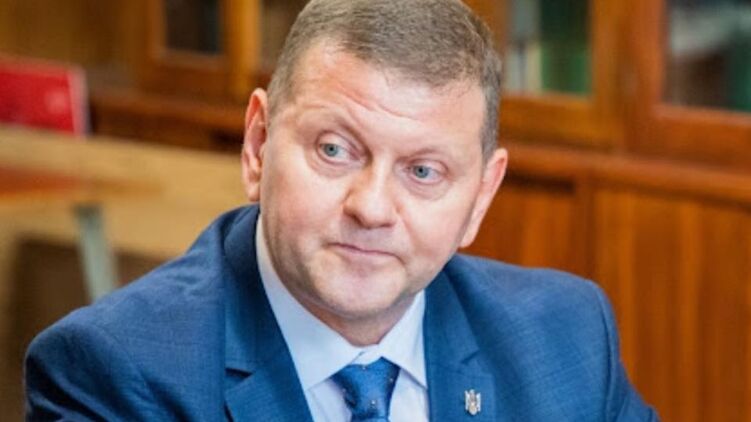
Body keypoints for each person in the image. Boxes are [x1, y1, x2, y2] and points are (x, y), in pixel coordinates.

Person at [25, 0, 657, 420]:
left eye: (423, 171)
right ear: (258, 145)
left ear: (480, 198)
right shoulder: (116, 374)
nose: (372, 208)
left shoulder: (566, 338)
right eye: (334, 150)